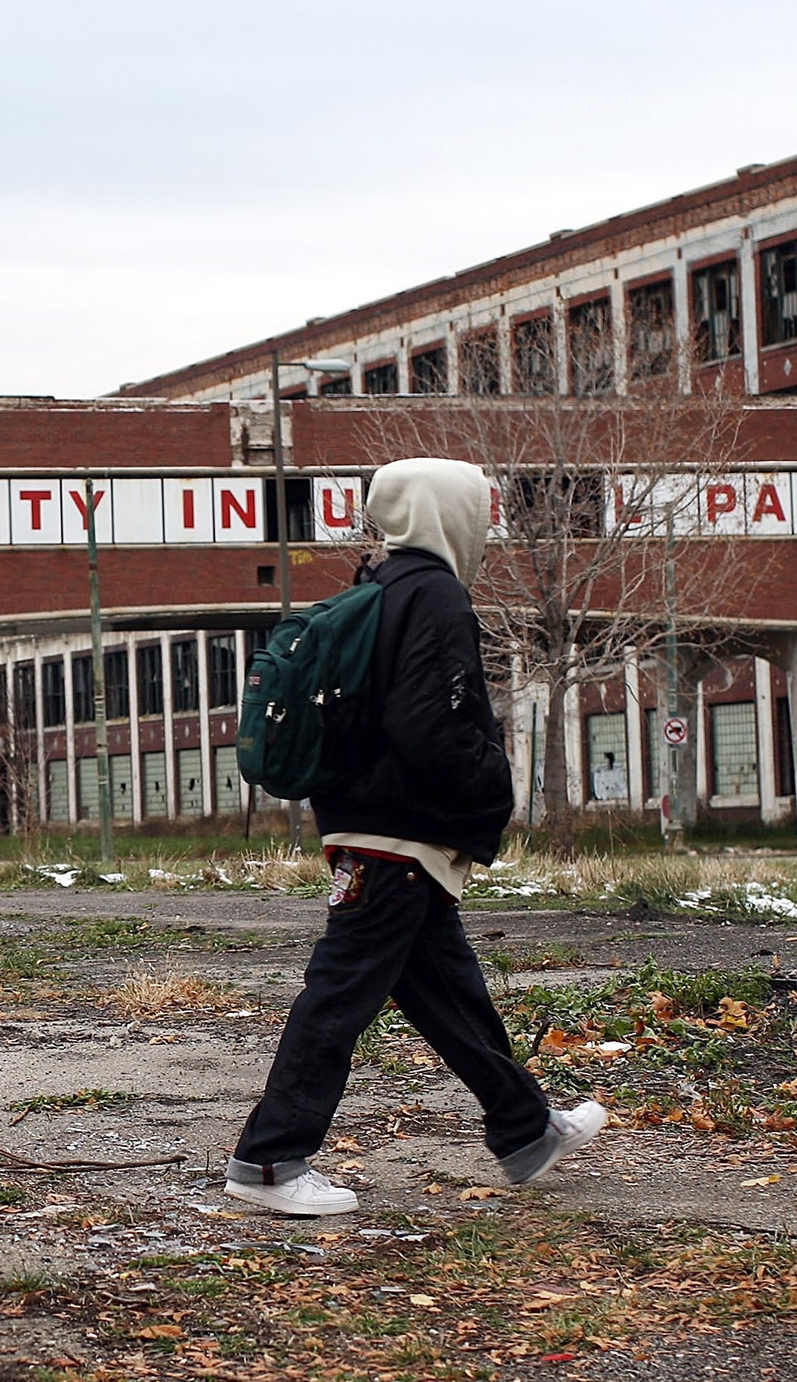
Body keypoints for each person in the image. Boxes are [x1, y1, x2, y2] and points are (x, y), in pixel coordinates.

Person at [224, 457, 608, 1217]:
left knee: (448, 991)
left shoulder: (378, 588)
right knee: (339, 993)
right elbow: (433, 728)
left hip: (375, 829)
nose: (486, 530)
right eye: (478, 512)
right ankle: (268, 1160)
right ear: (448, 514)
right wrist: (494, 786)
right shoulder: (433, 595)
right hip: (396, 837)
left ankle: (526, 1126)